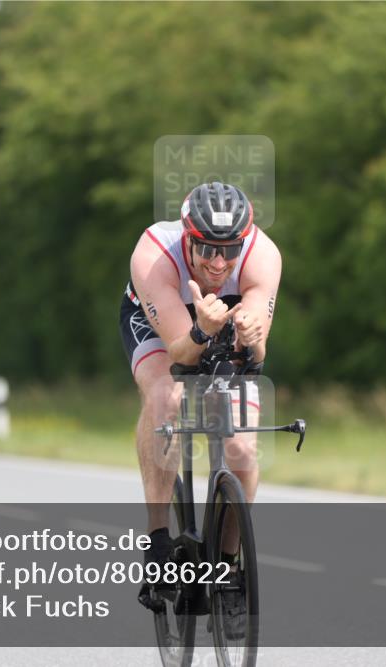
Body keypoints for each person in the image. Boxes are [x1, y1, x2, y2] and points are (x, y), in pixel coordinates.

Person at [120, 182, 282, 608]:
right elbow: (179, 351)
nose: (217, 261)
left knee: (242, 452)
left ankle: (226, 563)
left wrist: (251, 337)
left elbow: (258, 354)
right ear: (187, 236)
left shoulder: (263, 255)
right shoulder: (154, 252)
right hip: (162, 323)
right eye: (206, 247)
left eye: (228, 250)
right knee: (166, 397)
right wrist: (201, 330)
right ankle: (157, 541)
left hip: (220, 321)